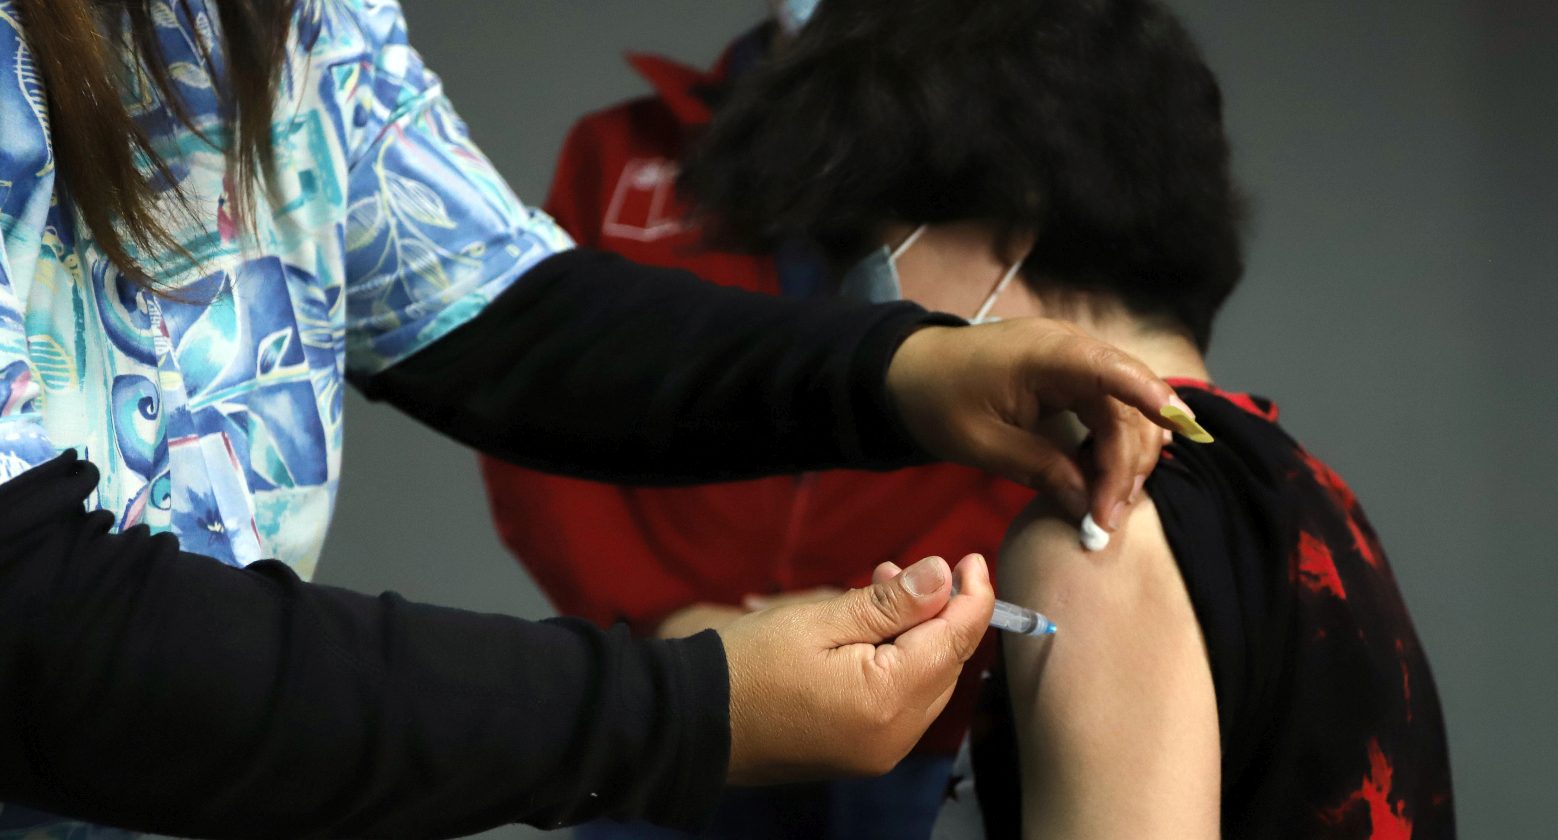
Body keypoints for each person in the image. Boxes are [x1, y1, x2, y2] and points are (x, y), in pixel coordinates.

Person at [0, 0, 1194, 837]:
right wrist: (682, 702)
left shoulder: (298, 23)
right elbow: (37, 632)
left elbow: (502, 313)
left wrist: (897, 369)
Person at [677, 0, 1458, 837]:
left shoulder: (1095, 540)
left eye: (862, 249)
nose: (849, 304)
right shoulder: (1314, 499)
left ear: (1010, 228)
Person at [477, 5, 1031, 838]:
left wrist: (891, 607)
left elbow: (1027, 413)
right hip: (680, 692)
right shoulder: (619, 154)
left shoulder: (1009, 157)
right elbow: (528, 410)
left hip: (919, 701)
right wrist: (664, 619)